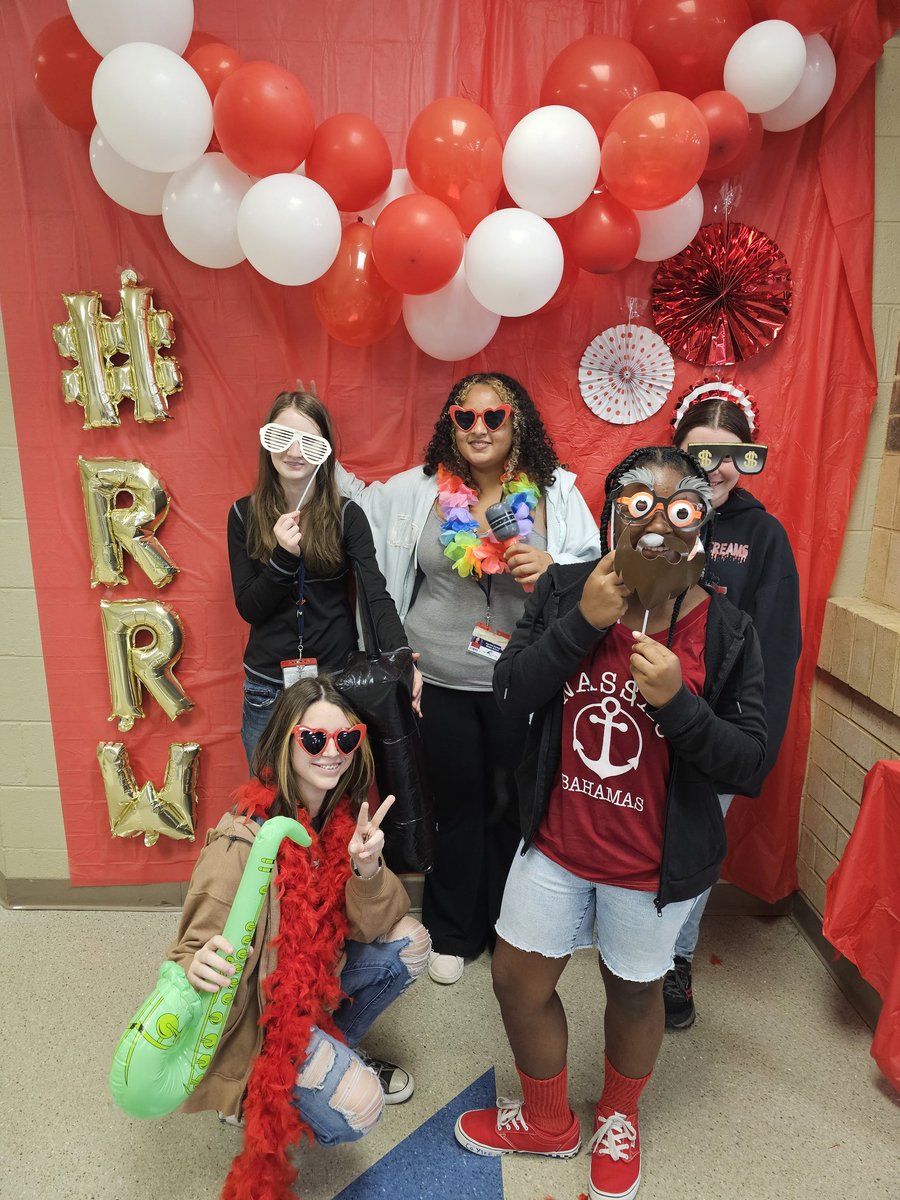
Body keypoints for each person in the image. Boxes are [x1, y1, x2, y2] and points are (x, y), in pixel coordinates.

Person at [453, 446, 766, 1200]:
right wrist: (581, 627)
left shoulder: (726, 630)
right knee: (516, 977)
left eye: (678, 508)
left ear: (701, 522)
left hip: (652, 864)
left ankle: (618, 1116)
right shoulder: (566, 590)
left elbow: (749, 761)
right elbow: (511, 691)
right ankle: (549, 1118)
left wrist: (679, 705)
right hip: (558, 843)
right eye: (638, 503)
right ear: (609, 512)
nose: (657, 521)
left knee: (634, 990)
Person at [337, 372, 601, 985]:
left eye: (494, 417)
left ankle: (512, 931)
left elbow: (593, 578)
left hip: (521, 681)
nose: (479, 429)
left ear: (517, 423)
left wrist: (553, 567)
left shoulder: (554, 493)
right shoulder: (419, 491)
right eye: (466, 417)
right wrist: (303, 456)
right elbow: (362, 519)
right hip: (440, 681)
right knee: (453, 808)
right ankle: (454, 931)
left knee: (513, 808)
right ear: (450, 424)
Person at [168, 676, 431, 1200]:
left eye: (346, 739)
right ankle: (258, 1097)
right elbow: (189, 950)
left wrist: (367, 867)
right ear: (285, 741)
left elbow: (375, 925)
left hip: (314, 990)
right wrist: (195, 967)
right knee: (362, 1107)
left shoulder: (339, 818)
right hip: (263, 1018)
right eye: (314, 740)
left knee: (411, 941)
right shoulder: (244, 837)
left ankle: (335, 1050)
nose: (331, 754)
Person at [664, 392, 802, 1028]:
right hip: (648, 714)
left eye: (730, 454)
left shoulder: (763, 535)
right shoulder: (651, 513)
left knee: (697, 845)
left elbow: (775, 643)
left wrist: (755, 741)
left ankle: (676, 963)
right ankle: (628, 947)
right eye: (701, 453)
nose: (716, 468)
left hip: (718, 730)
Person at [228, 389, 420, 767]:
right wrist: (283, 558)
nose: (294, 452)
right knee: (272, 808)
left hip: (335, 683)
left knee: (336, 806)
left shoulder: (348, 515)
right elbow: (250, 607)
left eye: (309, 442)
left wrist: (403, 661)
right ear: (267, 443)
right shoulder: (242, 514)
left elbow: (376, 595)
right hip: (268, 689)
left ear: (325, 450)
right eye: (282, 438)